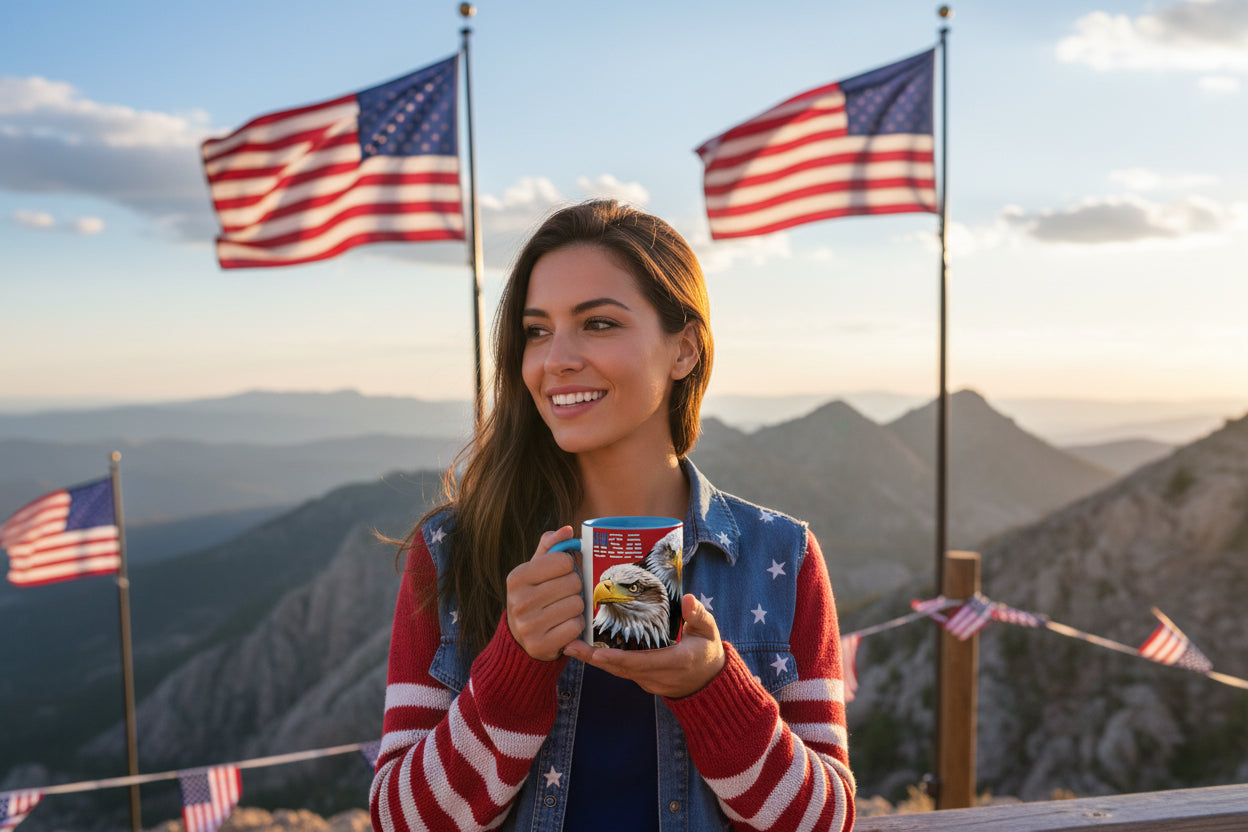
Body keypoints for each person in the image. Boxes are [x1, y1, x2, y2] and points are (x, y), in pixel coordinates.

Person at [370, 200, 855, 832]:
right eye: (537, 330)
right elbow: (397, 822)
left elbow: (827, 821)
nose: (557, 359)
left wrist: (712, 689)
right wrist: (514, 665)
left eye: (598, 324)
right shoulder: (450, 551)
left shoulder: (781, 558)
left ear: (683, 350)